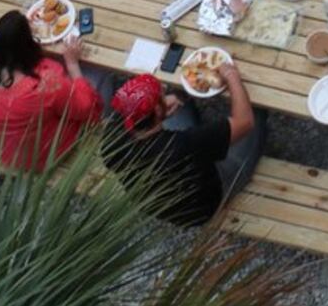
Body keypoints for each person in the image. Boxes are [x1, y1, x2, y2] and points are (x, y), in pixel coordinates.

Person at [103, 57, 263, 220]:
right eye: (161, 93)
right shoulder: (184, 145)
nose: (163, 88)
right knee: (254, 111)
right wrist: (231, 76)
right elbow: (244, 122)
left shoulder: (111, 139)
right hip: (206, 204)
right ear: (157, 110)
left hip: (163, 202)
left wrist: (162, 111)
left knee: (179, 99)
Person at [0, 10, 103, 171]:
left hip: (3, 149)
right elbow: (86, 107)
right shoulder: (43, 86)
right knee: (99, 76)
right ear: (27, 47)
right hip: (42, 156)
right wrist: (72, 64)